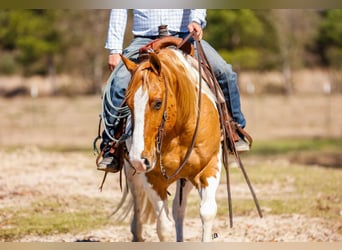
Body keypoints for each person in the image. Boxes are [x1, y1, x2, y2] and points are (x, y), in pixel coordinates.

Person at [97, 9, 250, 173]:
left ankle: (233, 129)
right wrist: (114, 50)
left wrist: (196, 21)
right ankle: (111, 146)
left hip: (184, 36)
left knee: (224, 73)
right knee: (118, 83)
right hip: (144, 40)